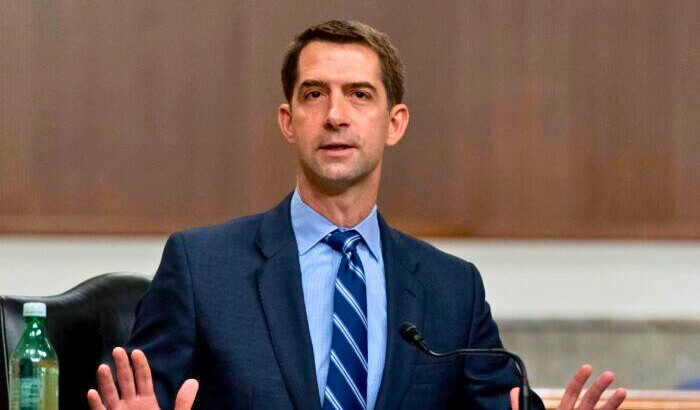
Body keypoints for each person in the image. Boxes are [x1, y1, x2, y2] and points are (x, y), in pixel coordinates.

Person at [87, 20, 627, 410]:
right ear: (288, 120)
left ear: (394, 123)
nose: (336, 115)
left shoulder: (451, 288)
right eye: (314, 94)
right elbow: (140, 397)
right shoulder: (202, 267)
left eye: (359, 95)